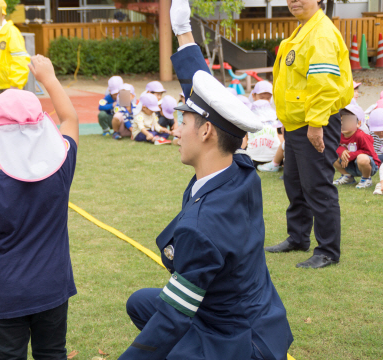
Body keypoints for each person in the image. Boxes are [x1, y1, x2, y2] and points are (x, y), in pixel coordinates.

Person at [117, 1, 293, 359]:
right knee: (140, 303)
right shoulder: (241, 170)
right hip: (258, 319)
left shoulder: (202, 227)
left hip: (238, 341)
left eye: (183, 123)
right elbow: (208, 99)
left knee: (161, 321)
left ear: (208, 131)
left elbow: (171, 317)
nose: (177, 132)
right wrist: (184, 35)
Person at [0, 55, 79, 359]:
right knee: (52, 352)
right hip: (53, 290)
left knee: (8, 355)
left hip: (9, 294)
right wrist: (49, 79)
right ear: (42, 129)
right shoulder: (61, 170)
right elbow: (70, 120)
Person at [265, 0, 353, 268]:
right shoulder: (303, 29)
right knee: (294, 184)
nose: (294, 1)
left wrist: (316, 124)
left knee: (317, 186)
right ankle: (298, 237)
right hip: (296, 122)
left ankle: (327, 250)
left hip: (316, 122)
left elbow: (324, 85)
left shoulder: (321, 33)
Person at [0, 0, 30, 97]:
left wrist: (15, 84)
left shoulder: (11, 32)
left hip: (11, 86)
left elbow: (20, 59)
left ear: (2, 14)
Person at [333, 105, 380, 189]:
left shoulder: (361, 136)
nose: (343, 123)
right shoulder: (338, 135)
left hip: (367, 166)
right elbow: (335, 146)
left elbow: (369, 152)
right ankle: (347, 177)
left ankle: (366, 179)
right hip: (349, 165)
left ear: (358, 124)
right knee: (330, 153)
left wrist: (351, 155)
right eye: (341, 120)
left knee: (362, 158)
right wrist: (342, 151)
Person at [246, 99, 281, 165]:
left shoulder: (249, 125)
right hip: (274, 159)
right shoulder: (276, 124)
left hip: (252, 159)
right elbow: (281, 141)